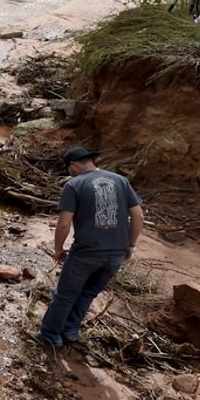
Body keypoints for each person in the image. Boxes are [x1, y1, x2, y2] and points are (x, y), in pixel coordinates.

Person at [35, 146, 144, 347]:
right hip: (116, 253)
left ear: (74, 165)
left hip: (87, 251)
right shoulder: (121, 181)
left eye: (68, 168)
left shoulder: (74, 184)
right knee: (88, 292)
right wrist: (131, 244)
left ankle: (50, 335)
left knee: (65, 294)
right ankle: (70, 330)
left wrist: (58, 249)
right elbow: (138, 215)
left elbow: (64, 223)